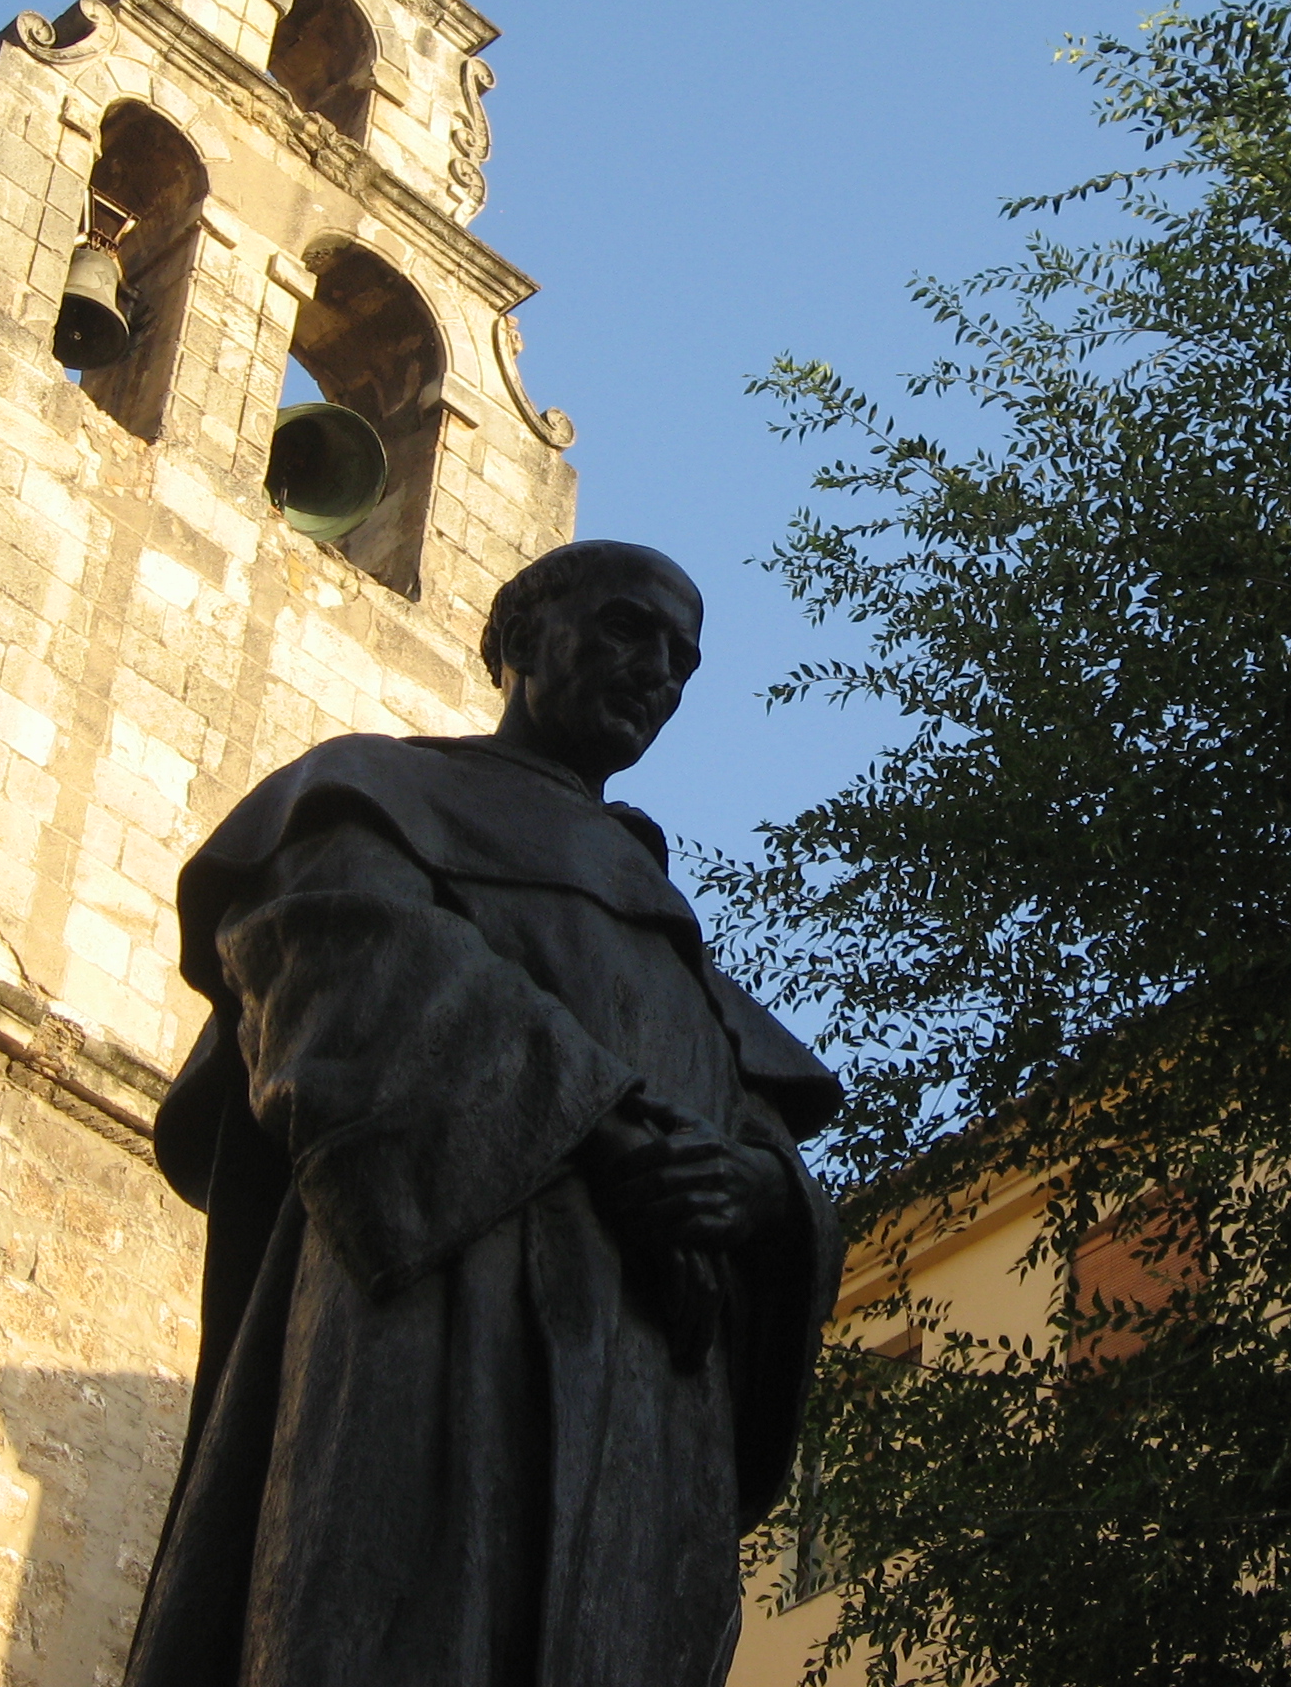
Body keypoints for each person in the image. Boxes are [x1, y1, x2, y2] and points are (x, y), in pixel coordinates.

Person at [124, 540, 841, 1687]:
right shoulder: (365, 801)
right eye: (626, 628)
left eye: (680, 661)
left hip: (640, 1385)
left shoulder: (669, 938)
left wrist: (760, 1191)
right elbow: (346, 971)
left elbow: (756, 1132)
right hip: (439, 1313)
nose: (655, 672)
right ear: (515, 637)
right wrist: (602, 1124)